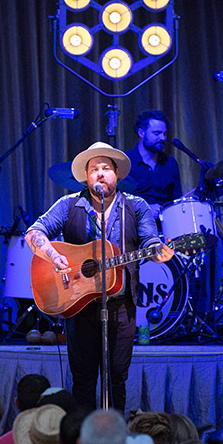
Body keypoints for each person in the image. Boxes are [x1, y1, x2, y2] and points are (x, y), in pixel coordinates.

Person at [26, 142, 173, 411]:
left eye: (106, 168)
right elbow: (34, 233)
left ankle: (113, 438)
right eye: (94, 169)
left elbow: (150, 239)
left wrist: (157, 252)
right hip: (77, 305)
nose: (100, 174)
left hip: (120, 308)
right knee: (82, 380)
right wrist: (51, 254)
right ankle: (81, 440)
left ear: (117, 173)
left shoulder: (136, 206)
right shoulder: (69, 205)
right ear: (86, 176)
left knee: (117, 378)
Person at [125, 110, 182, 212]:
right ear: (141, 133)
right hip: (135, 224)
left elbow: (176, 199)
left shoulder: (170, 163)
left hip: (165, 225)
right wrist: (145, 209)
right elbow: (116, 203)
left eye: (164, 133)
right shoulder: (126, 162)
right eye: (157, 133)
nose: (163, 138)